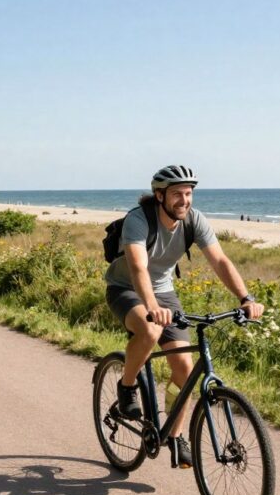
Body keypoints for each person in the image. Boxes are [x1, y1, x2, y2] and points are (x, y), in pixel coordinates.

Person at [104, 165, 265, 469]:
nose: (184, 200)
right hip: (126, 288)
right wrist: (151, 306)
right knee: (150, 332)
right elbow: (138, 268)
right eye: (177, 194)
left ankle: (176, 437)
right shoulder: (139, 220)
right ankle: (127, 386)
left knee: (185, 371)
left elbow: (220, 260)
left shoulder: (194, 220)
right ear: (159, 195)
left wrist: (246, 298)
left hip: (163, 294)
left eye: (188, 193)